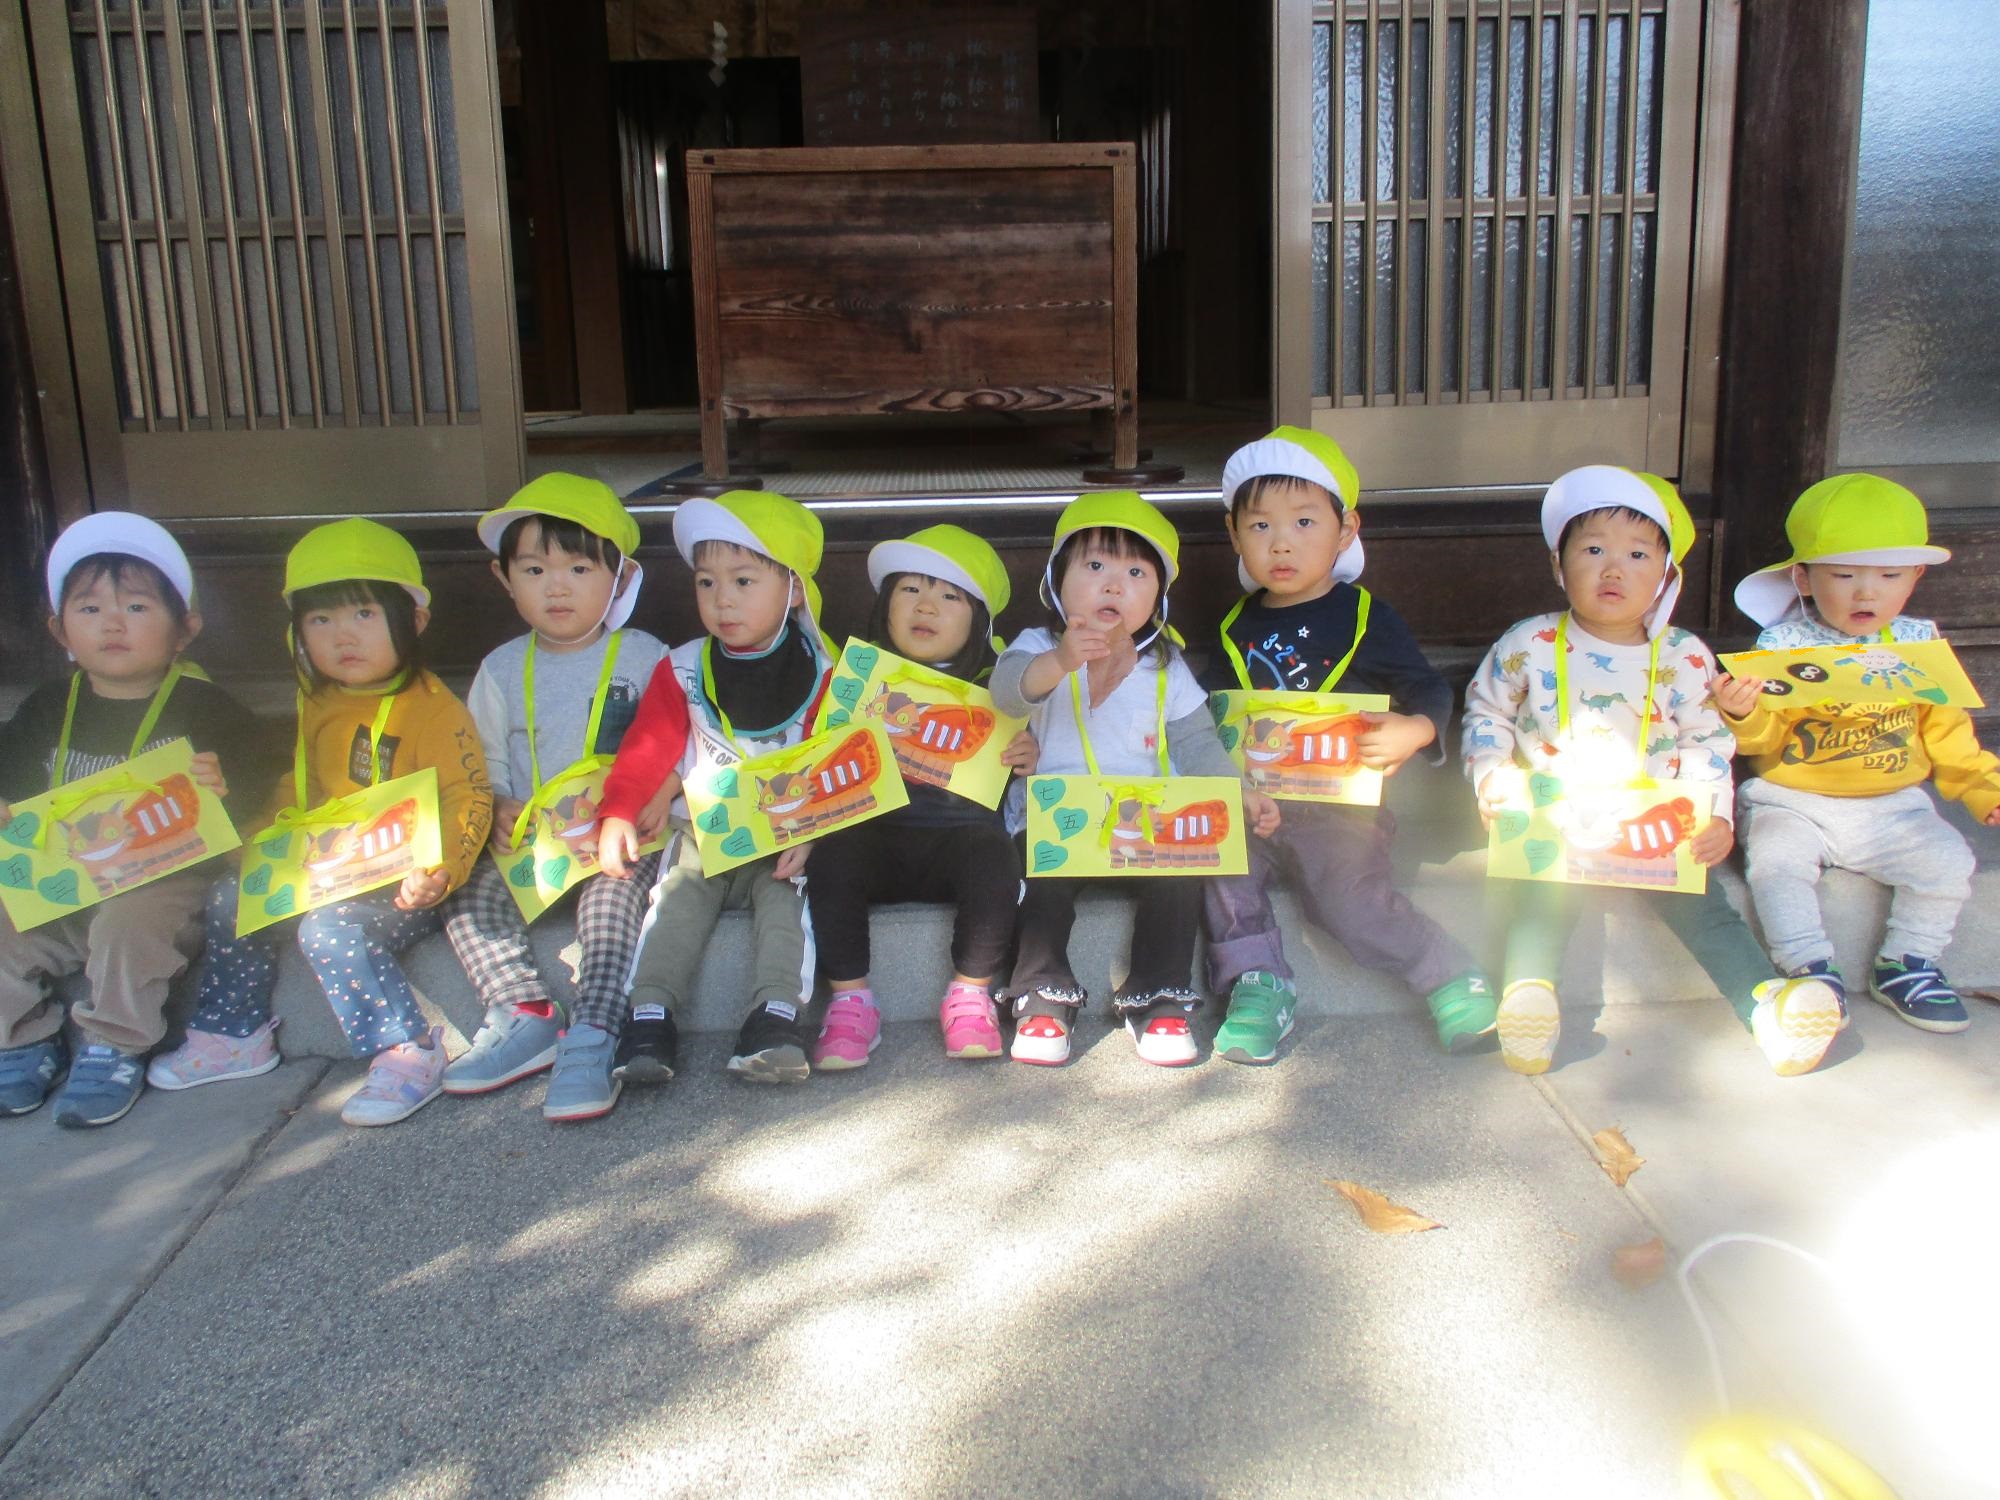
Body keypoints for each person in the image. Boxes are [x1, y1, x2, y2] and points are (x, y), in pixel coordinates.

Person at [1462, 466, 1843, 1077]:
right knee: (1536, 893)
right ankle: (1529, 1000)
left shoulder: (1686, 655)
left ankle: (1767, 1008)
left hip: (1655, 823)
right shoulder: (1528, 643)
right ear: (1559, 566)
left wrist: (1714, 815)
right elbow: (1487, 712)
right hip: (1555, 816)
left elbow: (1708, 739)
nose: (1614, 569)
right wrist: (1493, 777)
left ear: (1666, 576)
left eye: (1638, 554)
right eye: (1592, 550)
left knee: (1705, 907)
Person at [147, 520, 494, 1126]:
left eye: (363, 614)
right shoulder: (319, 700)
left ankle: (405, 1049)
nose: (343, 637)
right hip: (324, 867)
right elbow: (302, 787)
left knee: (329, 932)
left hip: (402, 882)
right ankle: (235, 1034)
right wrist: (262, 835)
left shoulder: (436, 710)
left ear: (411, 622)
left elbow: (470, 796)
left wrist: (440, 869)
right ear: (296, 634)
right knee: (232, 895)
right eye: (320, 620)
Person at [1200, 427, 1496, 1064]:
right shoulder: (1233, 627)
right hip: (1257, 803)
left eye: (1304, 522)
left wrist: (1417, 730)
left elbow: (1425, 686)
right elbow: (1215, 720)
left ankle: (1445, 971)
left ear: (1346, 529)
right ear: (1235, 536)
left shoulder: (1366, 616)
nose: (1281, 542)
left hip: (1342, 809)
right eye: (1259, 527)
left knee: (1350, 900)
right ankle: (1258, 984)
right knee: (1221, 870)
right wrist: (1235, 783)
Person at [992, 492, 1279, 1067]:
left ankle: (1159, 998)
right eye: (1094, 567)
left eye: (1135, 572)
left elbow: (1197, 742)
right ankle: (1042, 995)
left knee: (1177, 881)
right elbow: (1008, 691)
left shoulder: (1165, 664)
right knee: (1040, 886)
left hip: (1145, 821)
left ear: (1157, 597)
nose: (1113, 585)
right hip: (1060, 817)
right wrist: (1064, 660)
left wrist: (1237, 790)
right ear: (1056, 581)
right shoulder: (1039, 645)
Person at [1716, 473, 2000, 1034]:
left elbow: (1948, 732)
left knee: (1948, 861)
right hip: (1791, 800)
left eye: (1889, 575)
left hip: (1894, 805)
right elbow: (1763, 742)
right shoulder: (1783, 647)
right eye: (1844, 575)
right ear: (1803, 577)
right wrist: (1744, 714)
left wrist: (1982, 788)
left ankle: (1908, 965)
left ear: (1915, 578)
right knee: (1775, 864)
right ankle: (1808, 970)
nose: (1866, 592)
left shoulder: (1919, 645)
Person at [0, 514, 251, 1127]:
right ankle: (23, 1036)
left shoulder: (207, 707)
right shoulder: (43, 708)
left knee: (128, 919)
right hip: (63, 885)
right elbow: (12, 788)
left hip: (161, 889)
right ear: (59, 628)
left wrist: (227, 789)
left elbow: (255, 787)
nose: (112, 623)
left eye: (137, 608)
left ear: (184, 629)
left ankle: (115, 1042)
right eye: (89, 611)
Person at [440, 474, 672, 1121]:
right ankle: (527, 1011)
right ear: (503, 578)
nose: (558, 585)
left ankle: (596, 1029)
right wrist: (492, 808)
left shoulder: (646, 656)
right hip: (530, 848)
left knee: (614, 897)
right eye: (535, 569)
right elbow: (478, 757)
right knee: (467, 891)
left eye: (578, 567)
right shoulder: (501, 668)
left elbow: (672, 747)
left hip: (612, 840)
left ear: (621, 579)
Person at [594, 489, 826, 1085]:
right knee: (674, 903)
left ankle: (775, 1018)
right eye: (705, 582)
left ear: (793, 589)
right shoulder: (684, 665)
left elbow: (842, 765)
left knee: (786, 904)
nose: (722, 600)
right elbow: (649, 746)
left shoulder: (829, 674)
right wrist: (620, 809)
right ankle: (648, 1017)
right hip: (704, 830)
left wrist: (820, 833)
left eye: (744, 581)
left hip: (783, 839)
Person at [804, 526, 1035, 1068]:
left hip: (957, 841)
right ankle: (850, 1000)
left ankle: (970, 994)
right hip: (874, 838)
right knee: (833, 850)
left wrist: (1027, 756)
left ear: (978, 618)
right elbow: (817, 760)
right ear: (885, 607)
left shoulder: (998, 686)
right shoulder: (855, 678)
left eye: (949, 596)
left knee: (994, 854)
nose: (926, 606)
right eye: (910, 590)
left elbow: (1020, 769)